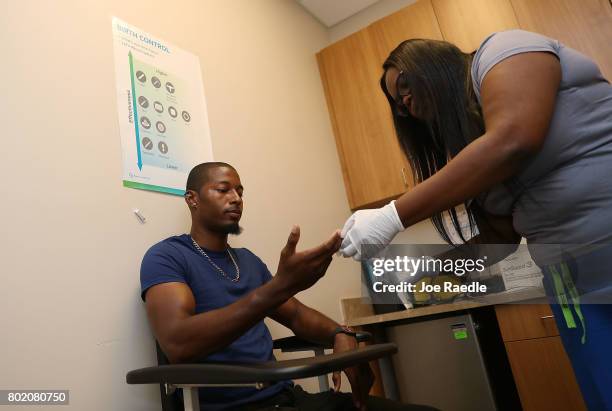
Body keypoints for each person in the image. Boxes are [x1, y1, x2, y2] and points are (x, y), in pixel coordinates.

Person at [338, 29, 612, 409]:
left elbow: (515, 138)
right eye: (398, 103)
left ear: (434, 63)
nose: (405, 103)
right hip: (573, 291)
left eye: (404, 85)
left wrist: (391, 216)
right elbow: (499, 236)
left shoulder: (502, 51)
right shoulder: (476, 154)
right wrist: (431, 272)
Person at [140, 162, 435, 411]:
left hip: (285, 397)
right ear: (192, 199)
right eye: (223, 189)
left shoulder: (247, 261)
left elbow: (295, 315)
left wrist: (340, 334)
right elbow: (178, 344)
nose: (236, 198)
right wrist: (278, 287)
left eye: (240, 192)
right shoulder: (167, 257)